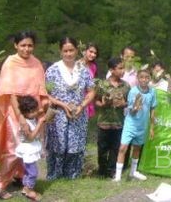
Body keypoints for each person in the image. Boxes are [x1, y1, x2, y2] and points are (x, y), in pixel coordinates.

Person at [0, 31, 48, 199]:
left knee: (29, 147)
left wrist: (41, 110)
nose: (26, 49)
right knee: (13, 149)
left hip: (33, 112)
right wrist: (20, 117)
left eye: (30, 45)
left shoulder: (36, 63)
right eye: (23, 45)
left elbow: (40, 89)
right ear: (15, 45)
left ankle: (20, 177)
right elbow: (11, 92)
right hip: (15, 113)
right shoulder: (10, 63)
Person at [45, 37, 95, 180]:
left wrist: (82, 106)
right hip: (58, 114)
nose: (68, 54)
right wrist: (62, 105)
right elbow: (46, 94)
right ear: (60, 51)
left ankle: (72, 174)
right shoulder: (53, 71)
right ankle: (55, 174)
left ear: (76, 51)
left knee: (75, 145)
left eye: (71, 50)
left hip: (78, 114)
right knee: (58, 145)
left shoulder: (83, 71)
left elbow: (91, 90)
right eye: (65, 50)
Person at [113, 69, 157, 182]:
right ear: (138, 78)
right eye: (142, 77)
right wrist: (135, 109)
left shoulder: (152, 92)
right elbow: (130, 111)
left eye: (147, 77)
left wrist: (152, 127)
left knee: (137, 148)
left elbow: (152, 109)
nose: (144, 79)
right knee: (123, 148)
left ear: (150, 79)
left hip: (142, 126)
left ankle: (133, 172)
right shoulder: (133, 91)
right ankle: (117, 176)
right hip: (131, 124)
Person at [95, 57, 130, 178]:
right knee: (102, 148)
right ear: (111, 70)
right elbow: (96, 102)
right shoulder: (103, 85)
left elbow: (129, 102)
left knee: (116, 148)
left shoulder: (126, 86)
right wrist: (103, 104)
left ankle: (111, 170)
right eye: (120, 68)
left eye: (123, 68)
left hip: (118, 122)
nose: (123, 71)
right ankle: (101, 171)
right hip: (104, 122)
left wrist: (123, 104)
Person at [15, 96, 45, 202]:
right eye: (33, 112)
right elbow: (31, 138)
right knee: (33, 173)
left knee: (28, 171)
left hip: (31, 149)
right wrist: (40, 123)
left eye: (36, 110)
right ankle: (29, 190)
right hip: (28, 150)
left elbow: (42, 110)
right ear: (25, 113)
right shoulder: (25, 124)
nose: (36, 113)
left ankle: (25, 187)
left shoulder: (31, 118)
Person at [81, 42, 99, 118]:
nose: (93, 55)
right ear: (84, 51)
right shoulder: (77, 65)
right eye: (91, 52)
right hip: (80, 97)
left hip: (89, 97)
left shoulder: (93, 66)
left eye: (95, 53)